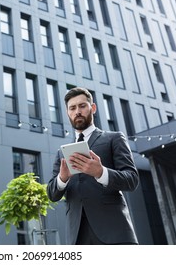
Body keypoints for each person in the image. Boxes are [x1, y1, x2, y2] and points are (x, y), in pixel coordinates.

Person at [47, 87, 139, 245]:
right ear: (68, 113)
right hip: (77, 236)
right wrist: (62, 178)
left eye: (82, 106)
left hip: (114, 232)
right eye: (72, 108)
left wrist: (101, 172)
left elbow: (132, 179)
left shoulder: (114, 138)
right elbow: (52, 194)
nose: (78, 111)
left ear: (93, 108)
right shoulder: (62, 153)